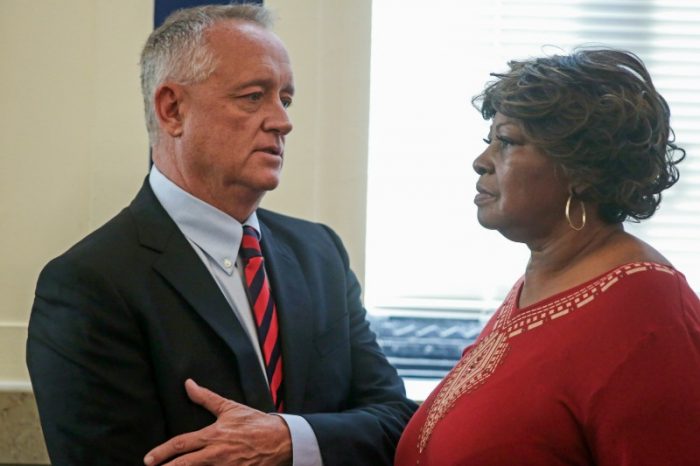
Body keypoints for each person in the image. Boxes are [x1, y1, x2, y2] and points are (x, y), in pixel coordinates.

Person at [26, 4, 416, 466]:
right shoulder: (87, 284)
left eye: (285, 100)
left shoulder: (321, 253)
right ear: (173, 110)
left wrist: (291, 439)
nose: (282, 121)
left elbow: (397, 423)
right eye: (254, 96)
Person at [395, 48, 700, 466]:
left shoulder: (647, 313)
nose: (480, 162)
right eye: (489, 142)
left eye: (507, 142)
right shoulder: (544, 284)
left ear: (581, 168)